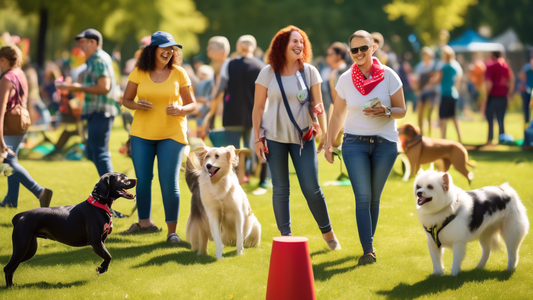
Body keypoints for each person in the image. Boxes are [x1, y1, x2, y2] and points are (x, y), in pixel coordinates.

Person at [252, 25, 340, 249]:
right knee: (281, 189)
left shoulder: (310, 71)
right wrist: (257, 138)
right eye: (294, 41)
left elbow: (317, 104)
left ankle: (329, 235)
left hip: (303, 138)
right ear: (282, 45)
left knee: (311, 187)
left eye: (301, 42)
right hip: (273, 137)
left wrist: (322, 130)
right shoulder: (268, 72)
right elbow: (258, 108)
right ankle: (286, 238)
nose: (299, 45)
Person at [325, 30, 406, 265]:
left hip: (385, 144)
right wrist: (330, 144)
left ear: (373, 48)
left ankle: (368, 245)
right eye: (354, 50)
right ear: (350, 52)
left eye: (363, 48)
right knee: (363, 196)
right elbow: (338, 113)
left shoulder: (389, 76)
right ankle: (368, 250)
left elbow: (402, 110)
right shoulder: (345, 79)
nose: (359, 53)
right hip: (354, 144)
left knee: (374, 199)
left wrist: (386, 111)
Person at [121, 31, 196, 243]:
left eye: (172, 48)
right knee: (143, 180)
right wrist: (137, 105)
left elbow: (192, 104)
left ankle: (172, 232)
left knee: (168, 181)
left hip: (172, 133)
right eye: (165, 47)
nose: (169, 51)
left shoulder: (179, 73)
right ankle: (145, 224)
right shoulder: (139, 72)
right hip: (142, 133)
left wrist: (181, 109)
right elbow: (126, 100)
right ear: (152, 50)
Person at [201, 35, 266, 185]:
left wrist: (212, 100)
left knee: (233, 150)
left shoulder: (229, 64)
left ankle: (235, 178)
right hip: (253, 113)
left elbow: (221, 88)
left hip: (233, 114)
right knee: (252, 146)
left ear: (238, 47)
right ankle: (251, 173)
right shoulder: (260, 66)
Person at [56, 28, 119, 176]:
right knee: (92, 151)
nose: (80, 45)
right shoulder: (92, 60)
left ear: (93, 42)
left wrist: (74, 86)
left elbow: (104, 87)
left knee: (99, 152)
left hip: (101, 111)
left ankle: (111, 188)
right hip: (94, 111)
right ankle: (110, 185)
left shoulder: (98, 59)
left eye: (83, 42)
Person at [0, 44, 52, 208]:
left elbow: (1, 110)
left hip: (10, 123)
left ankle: (40, 191)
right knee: (12, 159)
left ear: (8, 60)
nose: (0, 64)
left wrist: (0, 139)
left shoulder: (7, 78)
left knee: (7, 161)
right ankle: (11, 199)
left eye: (1, 60)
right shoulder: (20, 74)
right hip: (21, 121)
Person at [481, 51, 514, 145]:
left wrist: (485, 97)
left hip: (493, 96)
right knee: (501, 119)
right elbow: (512, 80)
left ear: (492, 56)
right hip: (503, 96)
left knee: (490, 118)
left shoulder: (490, 65)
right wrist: (508, 93)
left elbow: (489, 83)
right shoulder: (505, 66)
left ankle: (490, 140)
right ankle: (502, 139)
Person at [433, 45, 463, 143]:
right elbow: (458, 79)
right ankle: (460, 139)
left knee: (443, 118)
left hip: (445, 94)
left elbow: (437, 80)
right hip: (453, 94)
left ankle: (443, 140)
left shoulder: (444, 67)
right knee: (454, 117)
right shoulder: (455, 67)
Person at [414, 47, 438, 136]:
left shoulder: (435, 66)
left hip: (431, 93)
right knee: (419, 115)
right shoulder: (419, 66)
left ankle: (430, 134)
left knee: (429, 115)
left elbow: (435, 79)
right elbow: (416, 80)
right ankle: (421, 134)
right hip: (421, 93)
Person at [519, 52, 533, 126]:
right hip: (527, 90)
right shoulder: (526, 67)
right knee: (526, 108)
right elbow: (522, 76)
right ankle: (527, 123)